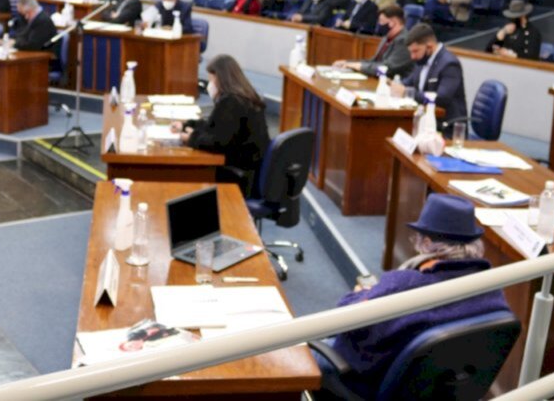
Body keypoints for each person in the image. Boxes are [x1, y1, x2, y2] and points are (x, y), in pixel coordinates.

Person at [317, 194, 508, 399]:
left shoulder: (405, 285)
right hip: (438, 390)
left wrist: (361, 295)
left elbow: (346, 321)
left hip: (375, 383)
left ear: (426, 243)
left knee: (304, 357)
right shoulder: (493, 291)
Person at [173, 54, 270, 195]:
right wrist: (188, 125)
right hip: (251, 168)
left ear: (221, 79)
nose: (210, 84)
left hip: (239, 174)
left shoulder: (231, 102)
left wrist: (191, 138)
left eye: (212, 79)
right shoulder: (244, 96)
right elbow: (216, 126)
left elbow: (217, 143)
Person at [394, 23, 466, 128]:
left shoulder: (449, 64)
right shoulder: (422, 60)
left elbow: (441, 98)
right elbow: (409, 82)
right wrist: (397, 85)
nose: (412, 57)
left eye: (415, 51)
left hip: (445, 126)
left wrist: (407, 92)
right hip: (425, 120)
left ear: (430, 47)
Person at [334, 5, 413, 78]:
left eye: (381, 21)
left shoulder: (404, 41)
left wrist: (359, 66)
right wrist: (348, 63)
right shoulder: (387, 38)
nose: (379, 24)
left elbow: (388, 68)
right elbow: (374, 61)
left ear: (394, 22)